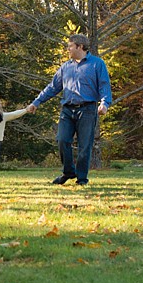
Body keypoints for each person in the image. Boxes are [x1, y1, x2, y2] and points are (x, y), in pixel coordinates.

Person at [27, 34, 112, 186]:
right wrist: (37, 102)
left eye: (70, 46)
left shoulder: (97, 64)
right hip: (67, 110)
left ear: (79, 47)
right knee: (62, 140)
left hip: (87, 110)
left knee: (84, 146)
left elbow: (104, 85)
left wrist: (104, 103)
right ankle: (68, 172)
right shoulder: (66, 67)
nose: (68, 49)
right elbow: (53, 87)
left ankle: (81, 179)